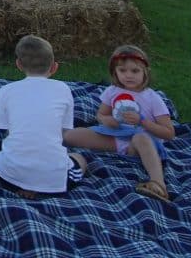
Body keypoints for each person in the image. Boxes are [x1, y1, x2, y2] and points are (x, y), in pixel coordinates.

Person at [0, 35, 87, 198]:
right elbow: (64, 133)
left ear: (18, 64)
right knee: (79, 157)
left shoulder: (6, 90)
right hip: (56, 179)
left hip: (9, 174)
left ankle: (24, 181)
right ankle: (37, 182)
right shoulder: (64, 89)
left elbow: (6, 132)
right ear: (54, 67)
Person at [63, 45, 174, 202]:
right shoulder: (113, 91)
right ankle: (36, 145)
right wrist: (107, 120)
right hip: (114, 136)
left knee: (140, 138)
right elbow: (101, 114)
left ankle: (158, 184)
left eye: (135, 71)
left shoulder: (152, 98)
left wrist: (142, 121)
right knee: (69, 135)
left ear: (145, 73)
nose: (128, 76)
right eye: (122, 71)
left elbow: (169, 133)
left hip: (141, 145)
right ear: (114, 72)